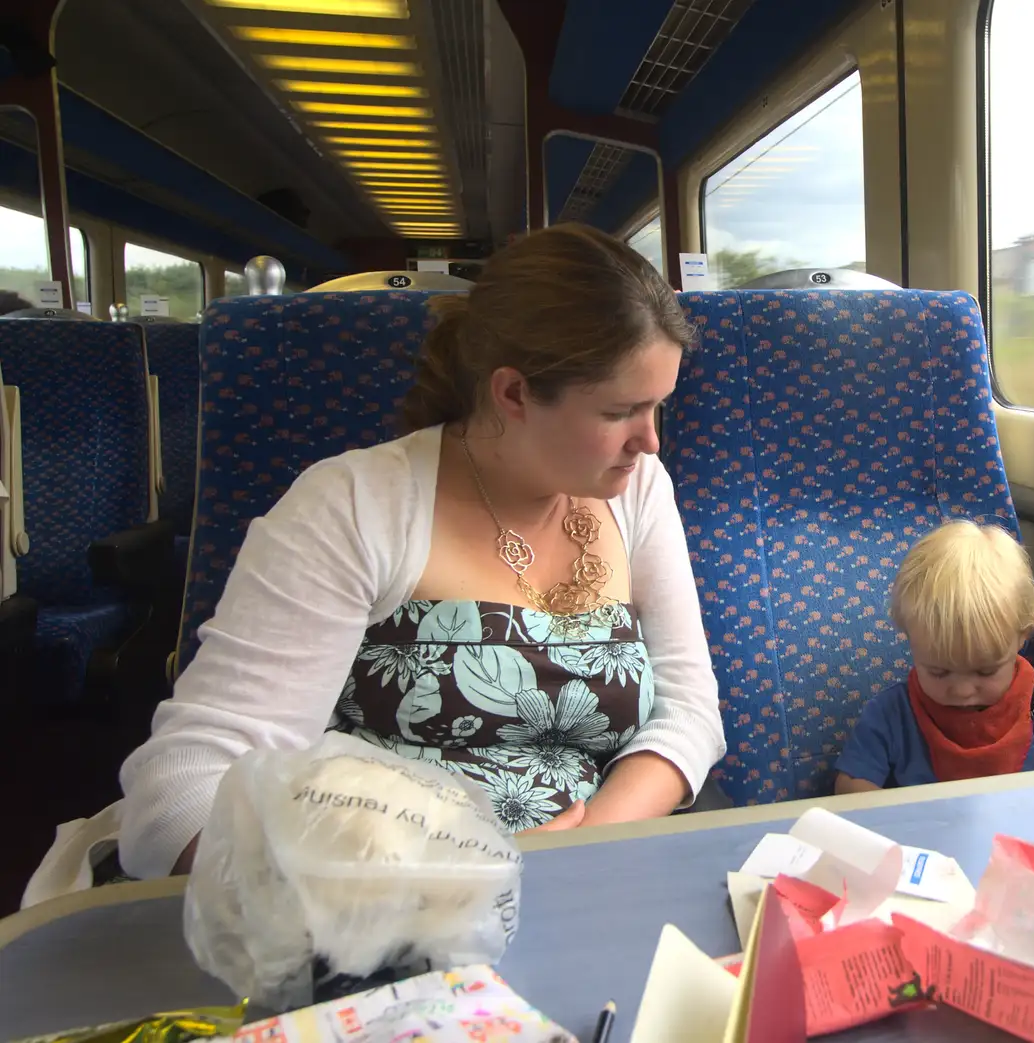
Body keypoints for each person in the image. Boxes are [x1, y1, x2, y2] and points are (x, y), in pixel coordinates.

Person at [116, 224, 727, 880]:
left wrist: (592, 840)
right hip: (380, 885)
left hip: (599, 867)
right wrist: (395, 882)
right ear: (513, 393)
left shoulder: (637, 489)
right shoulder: (353, 503)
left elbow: (689, 707)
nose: (651, 441)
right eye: (619, 412)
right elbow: (182, 786)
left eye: (658, 407)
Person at [833, 520, 1034, 794]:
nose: (963, 691)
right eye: (939, 672)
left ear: (1023, 636)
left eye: (986, 672)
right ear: (910, 640)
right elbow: (851, 785)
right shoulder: (891, 713)